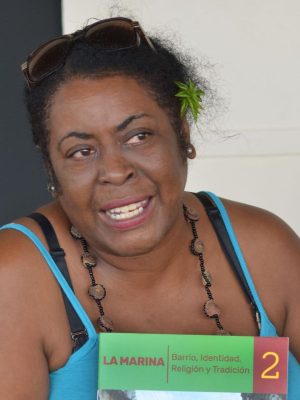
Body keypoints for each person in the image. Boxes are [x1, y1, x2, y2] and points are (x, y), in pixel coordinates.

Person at [0, 17, 299, 400]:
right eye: (81, 151)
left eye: (138, 136)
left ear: (182, 134)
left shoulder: (264, 250)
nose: (115, 171)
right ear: (51, 170)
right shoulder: (18, 276)